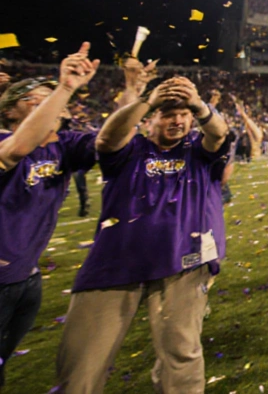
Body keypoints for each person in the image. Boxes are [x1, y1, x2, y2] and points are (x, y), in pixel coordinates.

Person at [54, 74, 231, 394]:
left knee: (182, 357)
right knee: (82, 363)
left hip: (182, 266)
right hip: (114, 266)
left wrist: (199, 106)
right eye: (167, 114)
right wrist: (146, 100)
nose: (177, 121)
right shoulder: (129, 148)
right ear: (149, 120)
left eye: (183, 115)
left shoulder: (197, 151)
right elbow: (105, 141)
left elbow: (219, 135)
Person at [0, 45, 100, 387]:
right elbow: (16, 149)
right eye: (35, 100)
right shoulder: (3, 141)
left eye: (52, 100)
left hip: (28, 278)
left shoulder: (63, 145)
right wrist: (65, 88)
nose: (49, 105)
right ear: (10, 110)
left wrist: (132, 88)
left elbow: (112, 141)